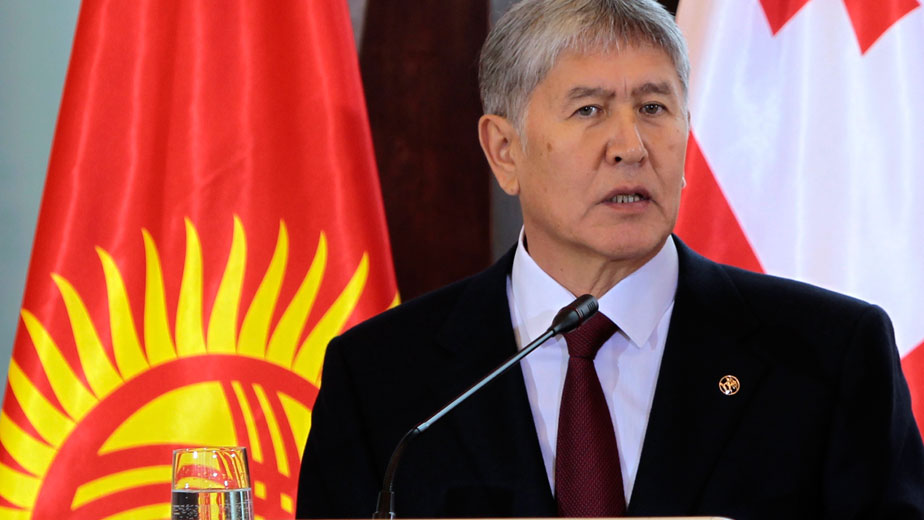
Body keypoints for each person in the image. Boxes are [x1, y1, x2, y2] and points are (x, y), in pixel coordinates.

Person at [296, 0, 924, 518]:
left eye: (653, 108)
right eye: (589, 110)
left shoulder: (830, 356)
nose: (630, 146)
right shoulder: (382, 379)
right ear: (505, 150)